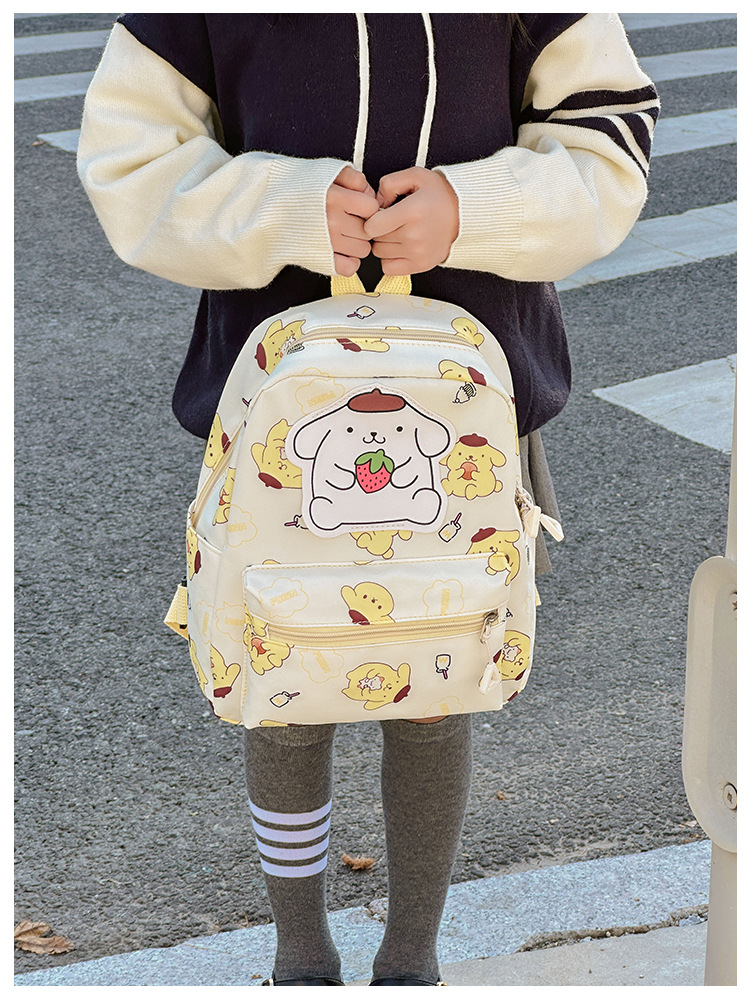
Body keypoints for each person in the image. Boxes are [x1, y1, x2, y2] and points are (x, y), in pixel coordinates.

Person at [77, 13, 659, 986]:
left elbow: (610, 129)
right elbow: (130, 154)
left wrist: (475, 208)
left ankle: (411, 957)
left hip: (466, 414)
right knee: (283, 675)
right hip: (278, 416)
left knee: (438, 669)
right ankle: (300, 954)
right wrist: (283, 208)